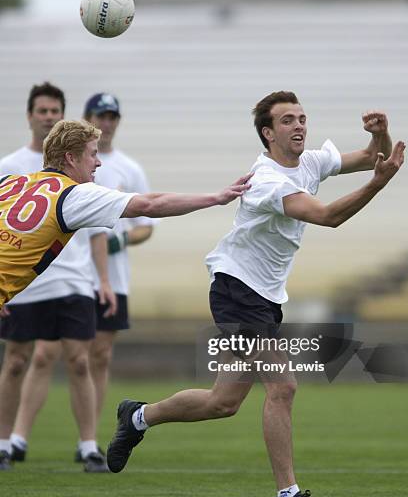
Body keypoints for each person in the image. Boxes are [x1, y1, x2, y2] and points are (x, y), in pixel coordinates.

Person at [106, 91, 406, 497]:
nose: (299, 126)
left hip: (263, 296)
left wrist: (381, 134)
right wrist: (377, 184)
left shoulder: (309, 162)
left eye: (302, 118)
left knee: (222, 402)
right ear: (268, 133)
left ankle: (137, 416)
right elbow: (327, 216)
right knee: (282, 387)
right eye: (287, 121)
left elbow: (369, 156)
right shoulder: (267, 180)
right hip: (236, 291)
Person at [0, 118, 252, 471]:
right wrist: (216, 197)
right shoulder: (73, 195)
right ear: (71, 158)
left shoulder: (13, 182)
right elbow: (149, 204)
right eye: (92, 154)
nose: (98, 162)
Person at [0, 82, 116, 473]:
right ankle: (8, 442)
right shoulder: (11, 166)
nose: (48, 116)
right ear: (31, 116)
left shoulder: (84, 165)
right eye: (42, 110)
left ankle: (88, 445)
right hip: (26, 282)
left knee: (80, 361)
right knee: (17, 360)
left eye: (55, 111)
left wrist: (102, 279)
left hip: (73, 279)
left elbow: (98, 230)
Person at [82, 93, 154, 439]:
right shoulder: (75, 164)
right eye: (100, 116)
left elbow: (146, 225)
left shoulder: (130, 167)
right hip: (77, 275)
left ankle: (91, 437)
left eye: (112, 117)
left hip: (115, 277)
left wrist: (123, 240)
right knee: (60, 356)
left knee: (99, 355)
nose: (107, 123)